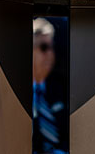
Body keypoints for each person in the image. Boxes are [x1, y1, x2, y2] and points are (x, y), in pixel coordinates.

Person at [33, 18, 67, 154]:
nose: (50, 54)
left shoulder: (61, 89)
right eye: (44, 47)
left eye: (51, 47)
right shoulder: (16, 92)